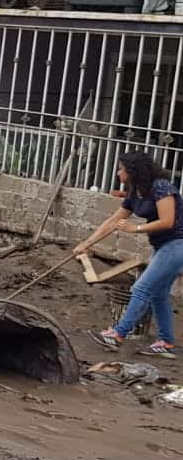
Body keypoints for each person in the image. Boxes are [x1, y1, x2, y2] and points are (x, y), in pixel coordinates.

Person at [76, 150, 183, 359]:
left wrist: (136, 229)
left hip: (177, 245)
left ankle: (117, 334)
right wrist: (86, 244)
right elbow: (113, 221)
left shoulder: (161, 187)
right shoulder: (136, 192)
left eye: (121, 169)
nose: (118, 173)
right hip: (162, 246)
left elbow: (168, 221)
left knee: (141, 288)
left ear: (133, 171)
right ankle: (166, 342)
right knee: (158, 294)